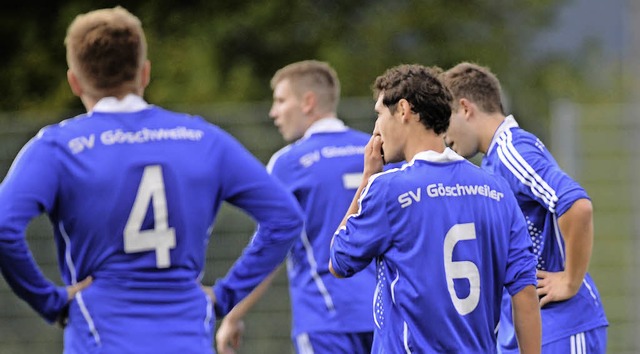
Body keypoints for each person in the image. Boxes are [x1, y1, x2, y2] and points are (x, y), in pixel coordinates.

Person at [0, 6, 304, 354]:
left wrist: (49, 301)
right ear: (144, 73)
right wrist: (224, 296)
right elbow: (286, 216)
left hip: (100, 336)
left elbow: (4, 225)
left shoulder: (57, 147)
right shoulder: (202, 138)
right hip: (186, 336)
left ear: (74, 80)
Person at [328, 64, 542, 353]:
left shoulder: (388, 189)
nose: (376, 128)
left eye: (379, 114)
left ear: (403, 110)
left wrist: (367, 180)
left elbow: (339, 261)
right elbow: (525, 293)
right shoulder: (497, 190)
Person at [440, 62, 608, 353]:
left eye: (445, 121)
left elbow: (577, 205)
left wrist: (569, 280)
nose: (443, 136)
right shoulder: (493, 160)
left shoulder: (511, 150)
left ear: (465, 108)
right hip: (534, 328)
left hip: (562, 324)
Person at [215, 60, 376, 354]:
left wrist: (234, 313)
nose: (273, 112)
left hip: (326, 319)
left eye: (280, 100)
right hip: (384, 314)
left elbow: (270, 248)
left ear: (308, 102)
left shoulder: (290, 162)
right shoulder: (374, 151)